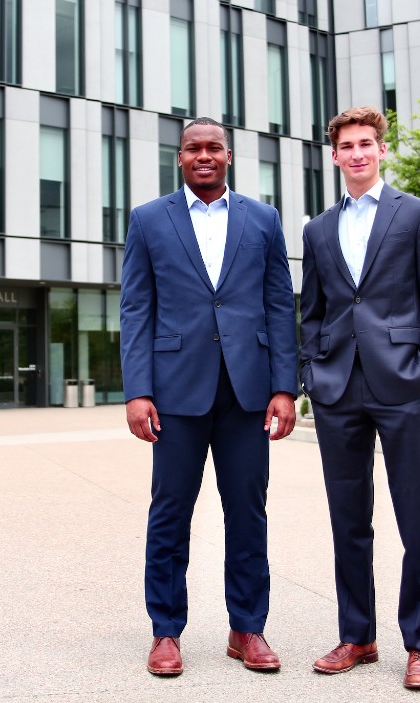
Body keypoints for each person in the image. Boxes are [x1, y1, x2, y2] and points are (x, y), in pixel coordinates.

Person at [120, 117, 298, 677]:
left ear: (228, 156)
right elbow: (136, 309)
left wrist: (284, 387)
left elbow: (279, 305)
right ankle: (166, 631)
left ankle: (247, 627)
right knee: (169, 512)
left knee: (247, 512)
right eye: (193, 148)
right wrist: (137, 391)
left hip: (247, 392)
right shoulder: (149, 220)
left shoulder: (263, 220)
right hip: (174, 392)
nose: (204, 156)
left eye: (213, 148)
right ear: (180, 158)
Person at [298, 106, 420, 690]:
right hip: (339, 387)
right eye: (348, 145)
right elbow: (311, 310)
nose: (359, 153)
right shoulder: (318, 229)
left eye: (368, 143)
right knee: (349, 520)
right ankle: (358, 636)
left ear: (381, 150)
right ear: (335, 155)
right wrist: (312, 372)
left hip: (402, 383)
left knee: (418, 518)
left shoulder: (417, 214)